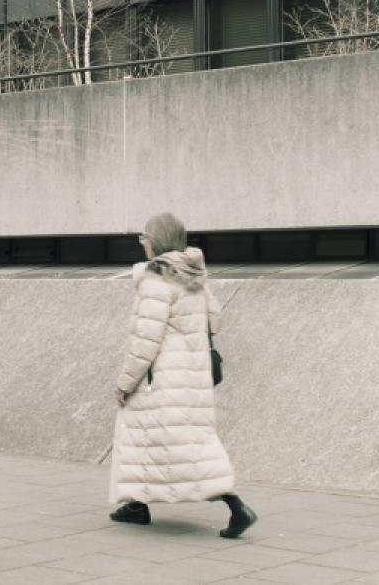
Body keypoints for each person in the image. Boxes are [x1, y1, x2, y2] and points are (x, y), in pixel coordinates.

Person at [108, 211, 256, 538]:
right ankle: (137, 504)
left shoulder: (156, 279)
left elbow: (145, 340)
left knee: (153, 438)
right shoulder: (192, 276)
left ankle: (233, 503)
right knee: (192, 441)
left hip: (162, 379)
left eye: (144, 237)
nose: (142, 243)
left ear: (157, 241)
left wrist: (124, 383)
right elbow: (213, 320)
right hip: (193, 376)